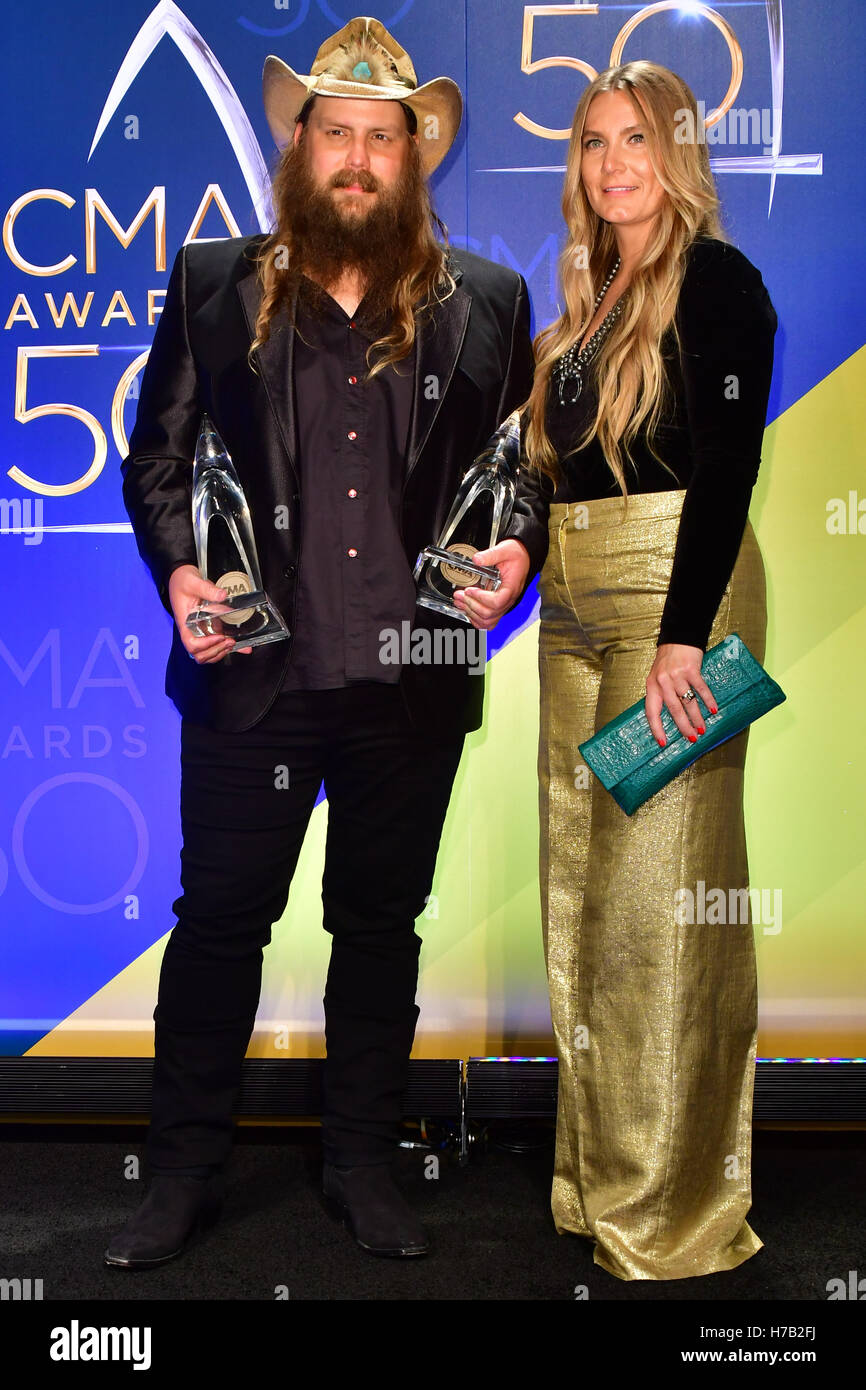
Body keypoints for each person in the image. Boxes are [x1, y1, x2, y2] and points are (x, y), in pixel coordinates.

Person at [107, 16, 532, 1268]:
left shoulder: (490, 305)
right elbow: (159, 458)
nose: (356, 158)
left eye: (381, 140)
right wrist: (182, 567)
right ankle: (178, 1176)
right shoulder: (210, 282)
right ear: (301, 148)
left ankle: (361, 1165)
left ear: (416, 159)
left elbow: (515, 483)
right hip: (254, 673)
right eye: (334, 133)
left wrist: (516, 553)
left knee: (379, 927)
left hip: (411, 681)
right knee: (219, 921)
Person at [461, 60, 778, 1280]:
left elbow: (725, 469)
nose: (611, 164)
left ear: (676, 151)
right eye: (593, 142)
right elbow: (558, 487)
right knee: (585, 909)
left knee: (660, 917)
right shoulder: (578, 313)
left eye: (634, 138)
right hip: (571, 612)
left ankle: (669, 1215)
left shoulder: (718, 284)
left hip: (672, 608)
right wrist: (511, 560)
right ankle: (600, 1188)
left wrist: (686, 635)